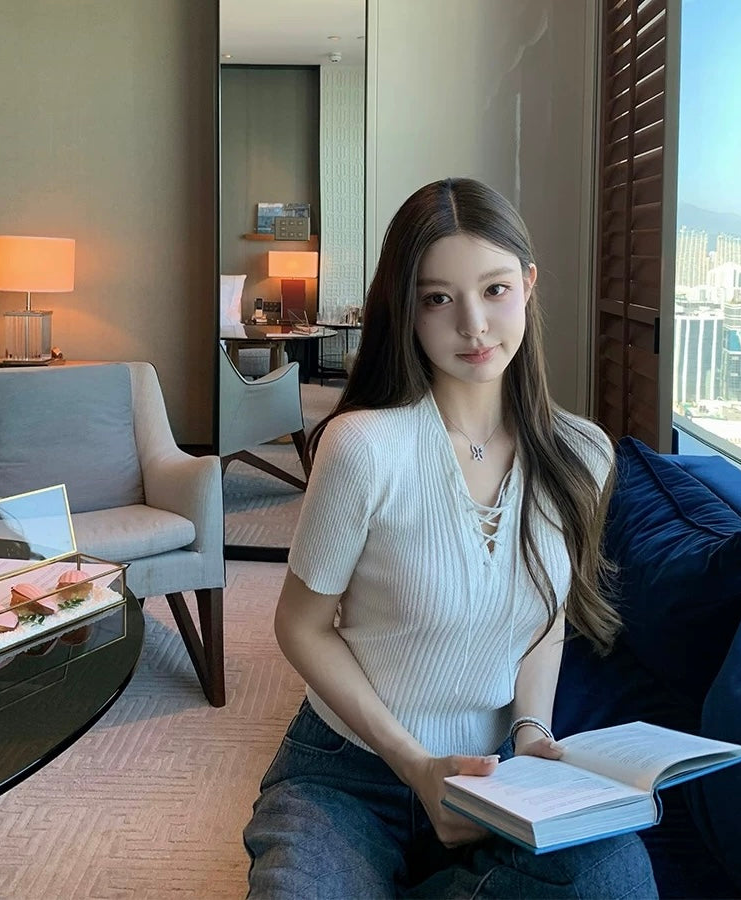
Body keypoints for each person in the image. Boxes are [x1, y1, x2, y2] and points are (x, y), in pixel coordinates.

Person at [243, 177, 657, 898]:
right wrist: (414, 766)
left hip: (495, 778)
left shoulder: (583, 454)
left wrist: (532, 732)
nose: (474, 325)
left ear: (527, 286)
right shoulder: (362, 447)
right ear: (406, 310)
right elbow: (300, 626)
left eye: (495, 290)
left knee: (614, 878)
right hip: (352, 772)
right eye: (438, 298)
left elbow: (545, 615)